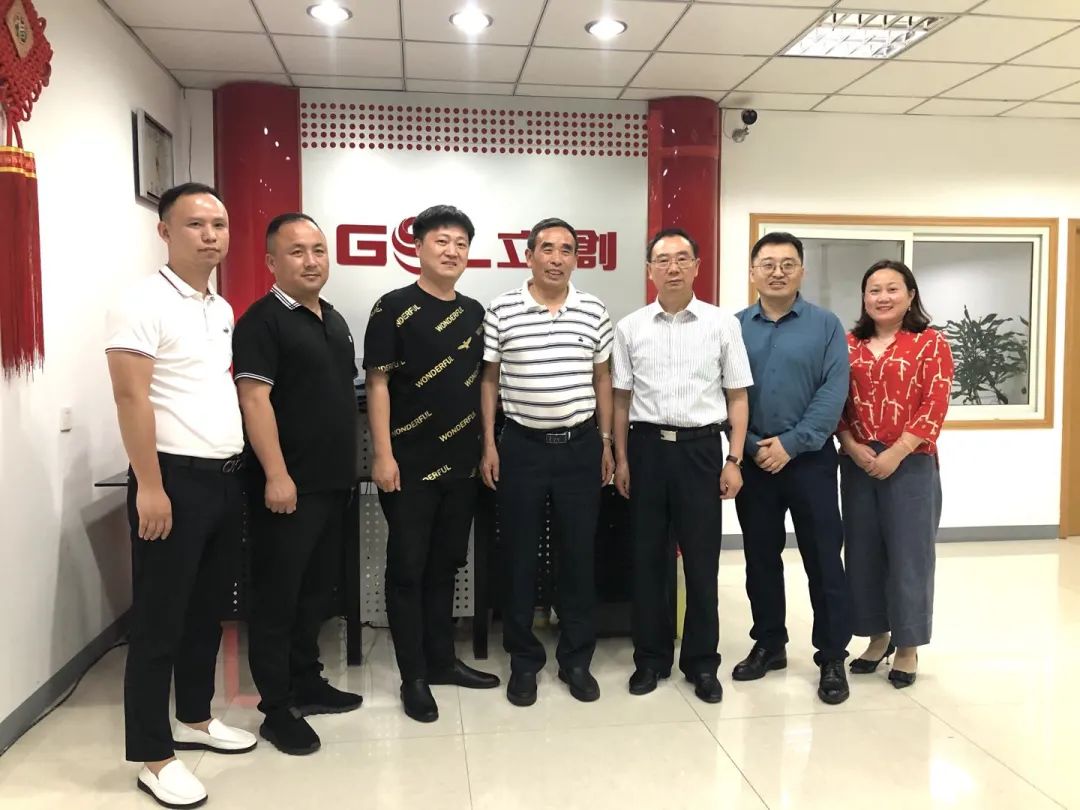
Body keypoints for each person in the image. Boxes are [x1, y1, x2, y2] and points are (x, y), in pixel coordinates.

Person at [105, 183, 256, 809]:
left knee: (206, 613)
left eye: (219, 223)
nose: (211, 235)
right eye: (195, 224)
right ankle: (153, 756)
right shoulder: (140, 302)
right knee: (159, 621)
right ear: (165, 231)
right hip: (170, 479)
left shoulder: (219, 306)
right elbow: (130, 397)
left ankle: (194, 717)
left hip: (224, 477)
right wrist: (150, 485)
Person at [364, 204, 500, 724]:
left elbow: (484, 385)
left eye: (461, 243)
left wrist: (486, 447)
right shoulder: (392, 307)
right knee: (408, 570)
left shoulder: (474, 313)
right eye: (442, 241)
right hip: (409, 465)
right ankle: (413, 677)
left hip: (461, 465)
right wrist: (382, 454)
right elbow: (378, 383)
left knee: (445, 566)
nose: (452, 251)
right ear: (418, 247)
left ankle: (442, 662)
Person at [232, 213, 363, 755]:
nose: (311, 261)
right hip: (288, 488)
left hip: (332, 485)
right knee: (277, 598)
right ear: (272, 262)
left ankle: (308, 682)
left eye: (318, 250)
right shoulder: (262, 322)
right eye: (296, 252)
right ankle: (277, 707)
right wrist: (277, 474)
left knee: (315, 593)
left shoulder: (333, 319)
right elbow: (254, 400)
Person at [612, 228, 753, 704]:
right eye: (662, 259)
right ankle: (650, 660)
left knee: (701, 563)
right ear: (649, 269)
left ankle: (701, 663)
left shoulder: (721, 324)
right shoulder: (630, 328)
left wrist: (733, 459)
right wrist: (622, 458)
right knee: (647, 561)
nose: (671, 267)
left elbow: (737, 397)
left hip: (700, 451)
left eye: (681, 258)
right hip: (647, 449)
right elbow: (621, 399)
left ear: (696, 266)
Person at [480, 217, 615, 707]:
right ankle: (524, 662)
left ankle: (576, 660)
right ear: (529, 255)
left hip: (580, 448)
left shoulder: (594, 310)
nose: (557, 258)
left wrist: (605, 442)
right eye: (548, 249)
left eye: (567, 250)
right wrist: (489, 444)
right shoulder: (502, 309)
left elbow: (603, 378)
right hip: (521, 448)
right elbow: (489, 380)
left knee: (578, 557)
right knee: (519, 558)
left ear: (577, 258)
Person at [733, 231, 853, 705]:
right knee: (760, 558)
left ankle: (832, 655)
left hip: (810, 461)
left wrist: (793, 443)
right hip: (754, 460)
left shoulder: (826, 326)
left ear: (802, 271)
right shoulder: (734, 327)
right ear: (752, 272)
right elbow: (722, 392)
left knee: (823, 559)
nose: (777, 272)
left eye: (787, 263)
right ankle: (769, 643)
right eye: (767, 263)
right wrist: (751, 445)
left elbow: (833, 392)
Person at [838, 259, 954, 688]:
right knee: (862, 553)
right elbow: (835, 400)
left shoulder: (930, 343)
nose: (882, 297)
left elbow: (935, 404)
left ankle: (907, 646)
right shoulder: (848, 344)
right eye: (874, 290)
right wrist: (851, 445)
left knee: (910, 555)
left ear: (910, 296)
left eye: (892, 289)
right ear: (864, 298)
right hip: (857, 461)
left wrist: (898, 451)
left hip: (911, 462)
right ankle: (877, 637)